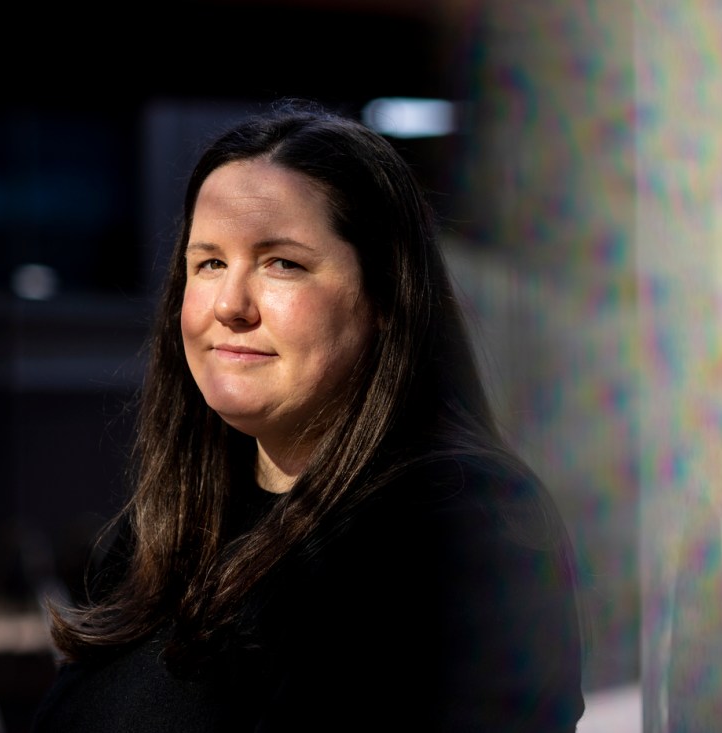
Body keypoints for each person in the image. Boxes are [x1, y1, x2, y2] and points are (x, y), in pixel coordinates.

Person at [31, 100, 586, 732]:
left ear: (385, 297)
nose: (230, 305)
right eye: (209, 262)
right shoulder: (158, 535)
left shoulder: (462, 523)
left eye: (281, 264)